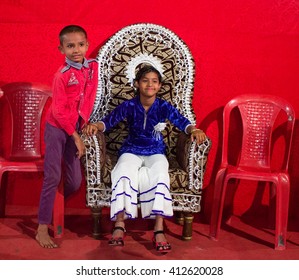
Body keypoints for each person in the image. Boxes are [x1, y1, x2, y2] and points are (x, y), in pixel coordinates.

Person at [84, 65, 206, 253]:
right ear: (137, 84)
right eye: (145, 80)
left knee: (160, 175)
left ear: (159, 86)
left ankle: (158, 228)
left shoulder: (163, 106)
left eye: (154, 81)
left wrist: (194, 130)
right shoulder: (129, 105)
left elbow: (182, 122)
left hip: (156, 151)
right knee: (123, 172)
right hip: (131, 149)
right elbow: (108, 121)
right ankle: (119, 224)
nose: (150, 84)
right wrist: (96, 127)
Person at [36, 25, 98, 248]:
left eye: (80, 44)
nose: (76, 50)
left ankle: (54, 206)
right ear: (61, 49)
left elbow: (89, 96)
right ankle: (42, 226)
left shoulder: (93, 67)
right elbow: (58, 111)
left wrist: (85, 122)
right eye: (70, 46)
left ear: (87, 45)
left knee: (75, 181)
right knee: (52, 176)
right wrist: (75, 136)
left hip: (75, 128)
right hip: (57, 130)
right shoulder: (61, 76)